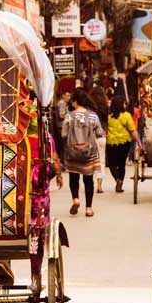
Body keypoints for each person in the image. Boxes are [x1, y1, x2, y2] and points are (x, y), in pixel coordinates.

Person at [62, 88, 104, 217]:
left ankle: (76, 199)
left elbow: (63, 134)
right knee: (88, 180)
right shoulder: (93, 116)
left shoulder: (69, 116)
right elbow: (99, 133)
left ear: (75, 101)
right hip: (89, 153)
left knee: (73, 177)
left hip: (73, 153)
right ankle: (89, 208)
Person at [106, 96, 143, 193]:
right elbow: (132, 130)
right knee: (121, 164)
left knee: (111, 164)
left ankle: (117, 179)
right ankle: (120, 181)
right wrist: (139, 142)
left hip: (111, 143)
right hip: (124, 143)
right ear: (121, 104)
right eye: (124, 103)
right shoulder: (126, 116)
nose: (125, 105)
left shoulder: (108, 116)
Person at [88, 86, 110, 194]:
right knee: (101, 161)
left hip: (90, 136)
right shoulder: (105, 107)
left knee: (90, 161)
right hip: (102, 136)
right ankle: (99, 186)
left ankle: (90, 184)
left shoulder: (89, 108)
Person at [53, 90, 72, 159]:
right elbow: (61, 115)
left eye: (70, 96)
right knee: (63, 146)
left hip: (62, 127)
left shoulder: (64, 103)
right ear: (63, 96)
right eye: (67, 96)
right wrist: (71, 114)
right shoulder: (62, 103)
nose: (69, 97)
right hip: (61, 127)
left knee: (63, 146)